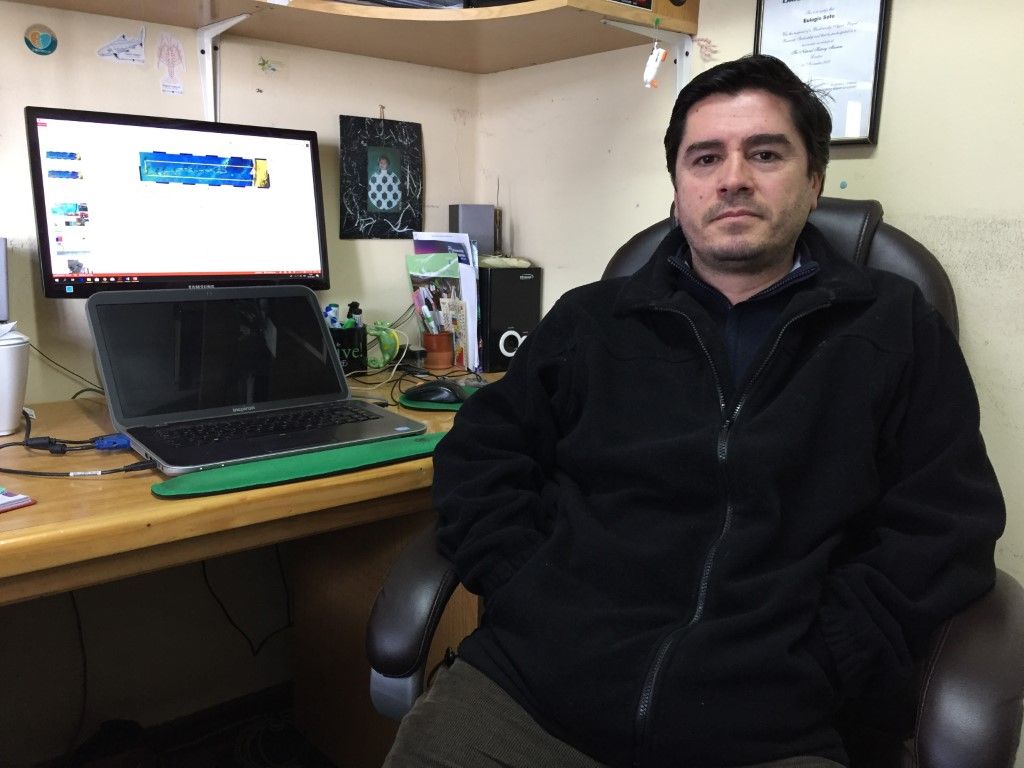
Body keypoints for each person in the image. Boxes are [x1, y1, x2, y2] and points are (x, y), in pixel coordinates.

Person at [384, 55, 1005, 768]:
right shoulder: (592, 320)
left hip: (773, 725)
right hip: (533, 693)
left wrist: (833, 652)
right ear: (678, 190)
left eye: (765, 154)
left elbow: (945, 528)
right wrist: (526, 585)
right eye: (705, 158)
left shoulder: (895, 330)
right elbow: (479, 455)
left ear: (813, 181)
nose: (733, 178)